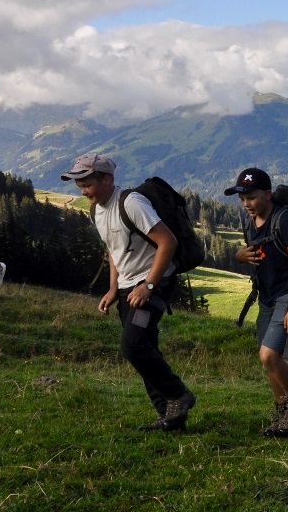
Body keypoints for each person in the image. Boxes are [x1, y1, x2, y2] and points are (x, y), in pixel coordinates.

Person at [62, 153, 195, 430]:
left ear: (107, 179)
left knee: (132, 345)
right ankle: (170, 416)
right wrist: (113, 288)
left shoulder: (132, 203)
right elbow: (113, 250)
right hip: (126, 288)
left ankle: (178, 394)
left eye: (87, 184)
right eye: (80, 186)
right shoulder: (97, 210)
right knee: (146, 348)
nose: (83, 191)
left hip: (153, 284)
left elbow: (168, 242)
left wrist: (148, 285)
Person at [228, 167, 288, 437]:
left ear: (267, 195)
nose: (246, 204)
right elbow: (253, 253)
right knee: (269, 359)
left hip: (287, 295)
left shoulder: (284, 220)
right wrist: (239, 256)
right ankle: (284, 412)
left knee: (270, 355)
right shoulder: (250, 222)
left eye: (252, 198)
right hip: (266, 296)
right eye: (242, 199)